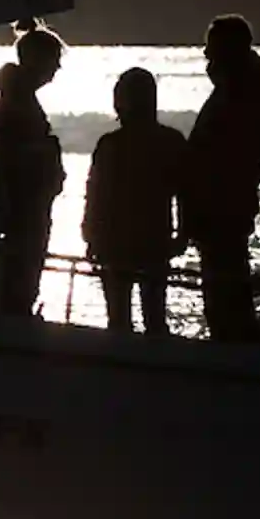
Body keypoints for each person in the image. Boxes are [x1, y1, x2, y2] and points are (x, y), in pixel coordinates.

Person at [182, 15, 260, 342]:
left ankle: (238, 352)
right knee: (225, 288)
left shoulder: (239, 94)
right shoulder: (240, 89)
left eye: (211, 48)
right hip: (223, 207)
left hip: (222, 208)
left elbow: (221, 156)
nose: (205, 55)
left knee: (225, 292)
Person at [83, 67, 186, 336]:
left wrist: (91, 234)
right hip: (154, 238)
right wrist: (183, 233)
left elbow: (95, 194)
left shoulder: (110, 145)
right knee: (154, 317)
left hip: (117, 240)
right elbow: (185, 192)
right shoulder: (171, 141)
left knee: (119, 319)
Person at [0, 24, 65, 315]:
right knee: (21, 277)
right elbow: (11, 154)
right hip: (23, 207)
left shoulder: (19, 97)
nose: (56, 68)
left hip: (29, 204)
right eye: (53, 60)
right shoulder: (16, 101)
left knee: (24, 275)